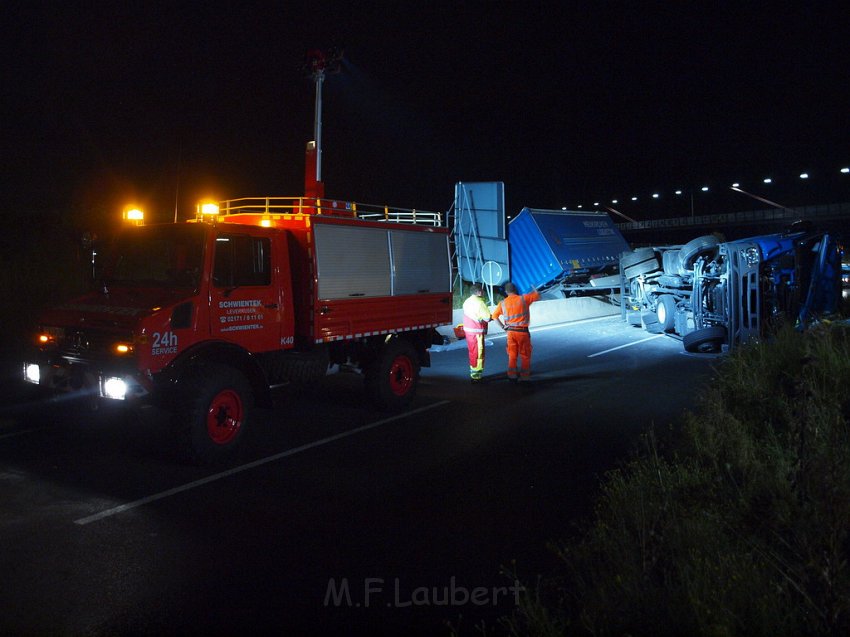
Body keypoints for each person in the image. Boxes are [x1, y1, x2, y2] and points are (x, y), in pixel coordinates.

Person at [491, 281, 540, 382]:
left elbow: (494, 316)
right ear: (515, 289)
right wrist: (533, 286)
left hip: (510, 333)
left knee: (512, 354)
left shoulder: (503, 303)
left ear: (506, 292)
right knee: (525, 355)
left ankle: (512, 375)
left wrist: (503, 327)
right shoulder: (524, 299)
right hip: (522, 332)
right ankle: (525, 376)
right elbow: (537, 295)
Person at [462, 283, 492, 383]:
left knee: (472, 352)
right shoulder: (480, 303)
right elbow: (487, 318)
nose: (483, 292)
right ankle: (476, 376)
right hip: (477, 332)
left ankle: (473, 373)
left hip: (468, 331)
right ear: (479, 292)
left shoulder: (467, 301)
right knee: (478, 354)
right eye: (482, 291)